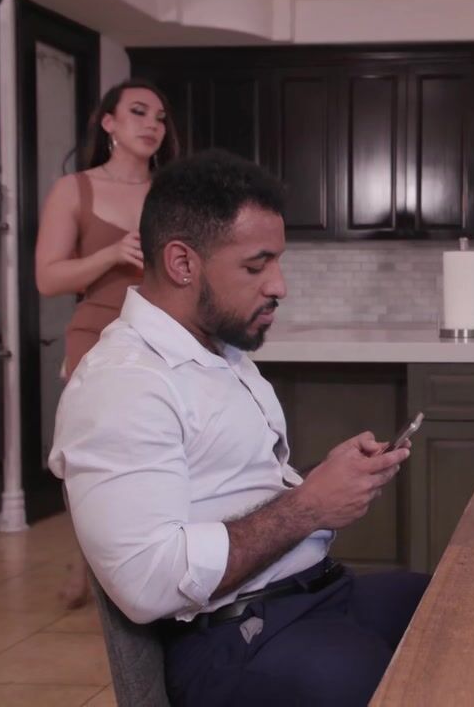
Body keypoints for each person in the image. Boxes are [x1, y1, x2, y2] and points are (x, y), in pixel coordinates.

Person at [48, 149, 426, 706]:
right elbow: (146, 582)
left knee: (461, 607)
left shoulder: (224, 355)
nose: (279, 286)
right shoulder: (121, 385)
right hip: (233, 641)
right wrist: (310, 506)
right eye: (256, 266)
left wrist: (324, 480)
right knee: (391, 682)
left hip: (315, 597)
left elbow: (237, 491)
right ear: (183, 263)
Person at [35, 78, 180, 609]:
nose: (152, 125)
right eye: (138, 112)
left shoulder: (172, 192)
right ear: (109, 123)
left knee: (159, 449)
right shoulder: (74, 189)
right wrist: (112, 254)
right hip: (96, 333)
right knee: (95, 456)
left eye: (160, 117)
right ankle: (85, 562)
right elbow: (48, 278)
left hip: (163, 333)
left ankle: (152, 561)